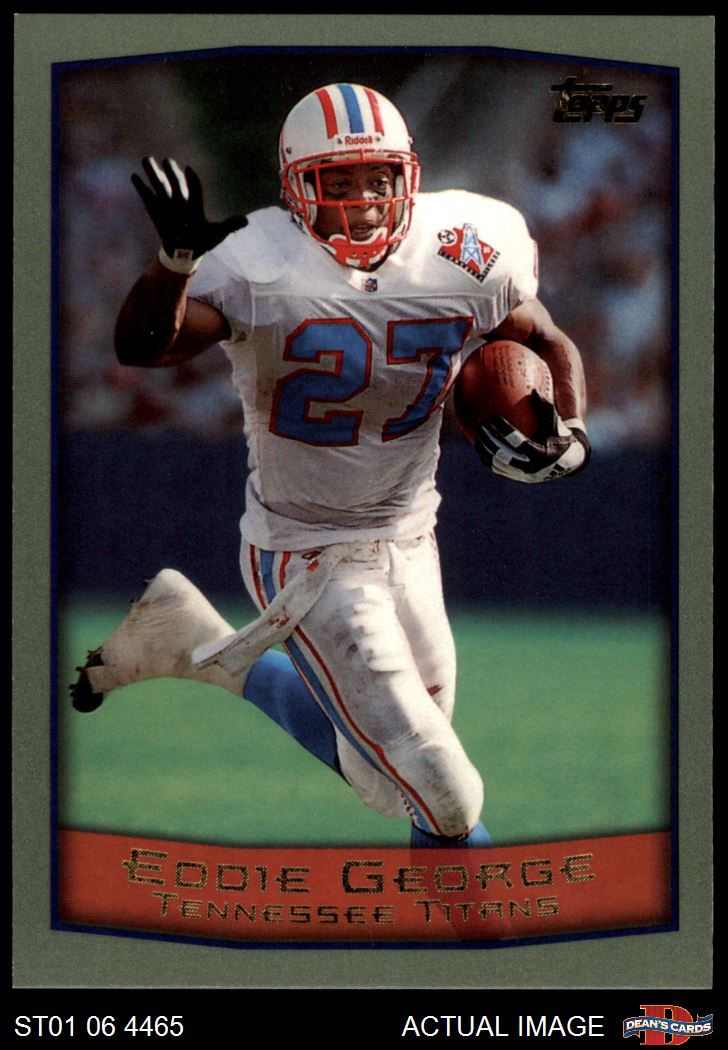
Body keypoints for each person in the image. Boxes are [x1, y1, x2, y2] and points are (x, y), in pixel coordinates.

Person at [71, 82, 590, 849]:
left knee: (385, 773)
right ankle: (479, 927)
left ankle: (194, 643)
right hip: (303, 550)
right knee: (441, 787)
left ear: (408, 174)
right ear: (296, 187)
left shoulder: (465, 245)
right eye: (337, 181)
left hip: (411, 534)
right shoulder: (258, 261)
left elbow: (544, 340)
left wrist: (569, 429)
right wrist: (175, 265)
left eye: (378, 178)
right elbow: (145, 347)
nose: (364, 201)